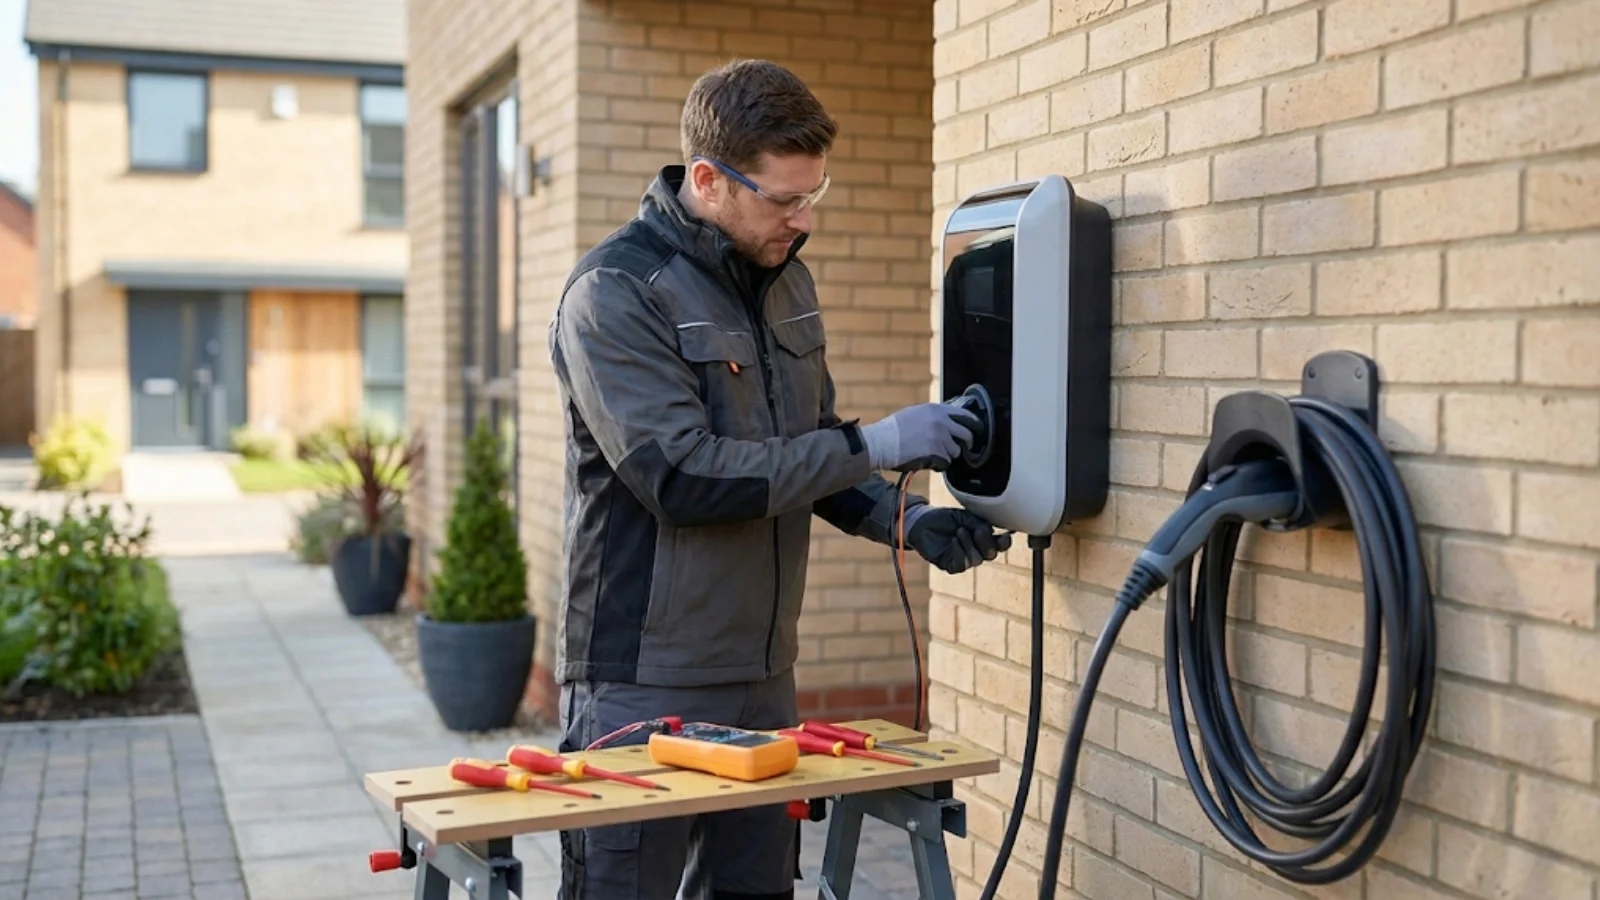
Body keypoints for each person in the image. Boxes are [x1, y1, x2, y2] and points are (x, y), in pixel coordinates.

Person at [547, 58, 1011, 900]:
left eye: (813, 195)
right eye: (783, 199)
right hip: (640, 679)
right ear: (708, 180)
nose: (803, 220)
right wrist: (878, 444)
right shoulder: (615, 293)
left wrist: (905, 522)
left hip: (762, 678)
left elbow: (808, 452)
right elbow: (682, 477)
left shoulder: (787, 281)